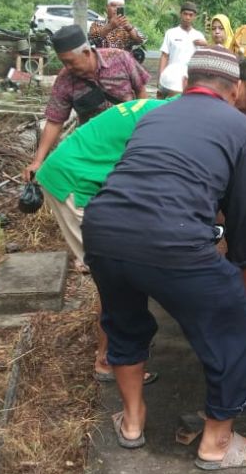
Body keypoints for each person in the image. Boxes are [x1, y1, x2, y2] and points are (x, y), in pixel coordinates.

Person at [82, 47, 246, 468]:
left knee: (123, 321)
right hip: (173, 238)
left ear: (187, 83)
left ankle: (132, 422)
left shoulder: (152, 114)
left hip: (103, 229)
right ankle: (218, 444)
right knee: (231, 326)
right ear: (240, 89)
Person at [33, 70, 186, 384]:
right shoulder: (173, 121)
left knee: (117, 267)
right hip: (72, 183)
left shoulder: (160, 110)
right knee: (112, 272)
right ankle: (106, 359)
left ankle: (115, 349)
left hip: (74, 173)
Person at [22, 25, 149, 182]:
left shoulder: (120, 58)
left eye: (70, 62)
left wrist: (144, 131)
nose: (67, 67)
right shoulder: (65, 80)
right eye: (63, 62)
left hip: (128, 141)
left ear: (86, 53)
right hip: (93, 147)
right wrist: (37, 161)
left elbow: (141, 91)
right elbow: (55, 121)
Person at [158, 2, 206, 76]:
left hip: (191, 79)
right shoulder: (171, 33)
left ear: (194, 17)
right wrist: (160, 77)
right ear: (180, 14)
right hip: (172, 78)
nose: (187, 17)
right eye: (185, 14)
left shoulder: (199, 36)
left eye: (191, 15)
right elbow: (164, 56)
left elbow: (205, 59)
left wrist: (206, 44)